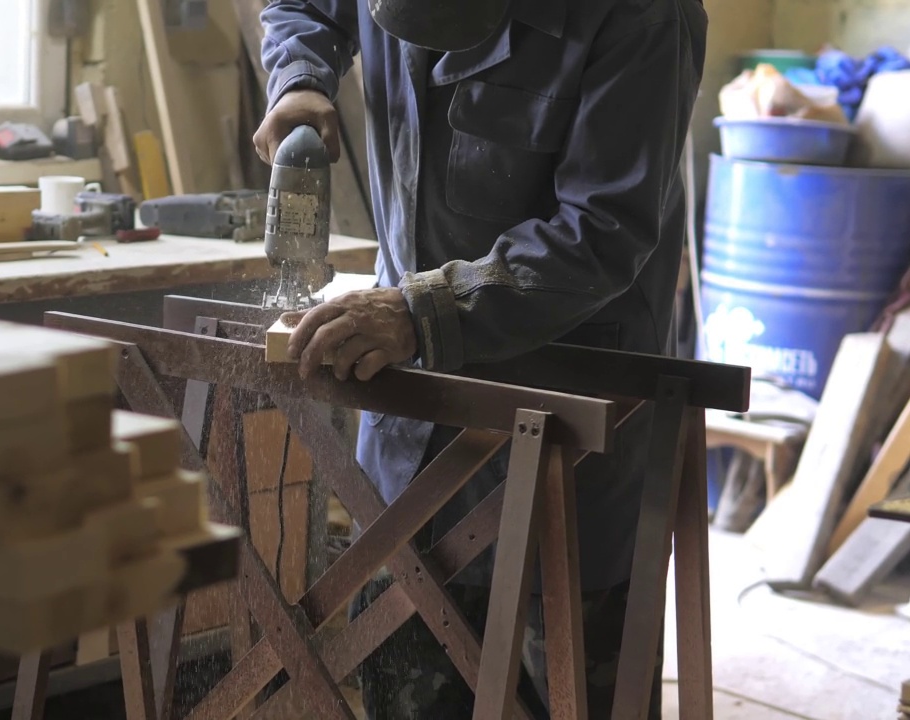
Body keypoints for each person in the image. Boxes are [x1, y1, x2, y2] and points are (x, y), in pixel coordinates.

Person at [254, 0, 708, 718]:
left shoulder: (644, 15)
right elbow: (302, 6)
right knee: (404, 685)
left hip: (565, 426)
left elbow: (602, 232)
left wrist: (418, 311)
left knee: (570, 693)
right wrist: (300, 76)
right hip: (409, 426)